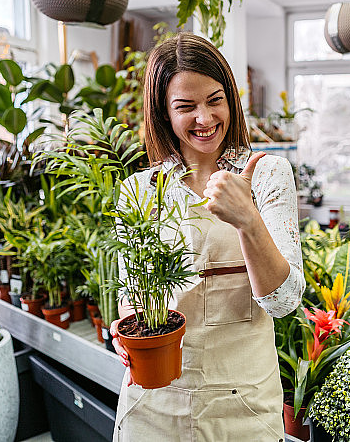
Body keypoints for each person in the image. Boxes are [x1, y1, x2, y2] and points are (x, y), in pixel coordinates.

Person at [110, 32, 304, 441]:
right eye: (186, 107)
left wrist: (247, 219)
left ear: (230, 99)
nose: (205, 118)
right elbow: (130, 293)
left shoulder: (266, 175)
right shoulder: (139, 190)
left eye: (215, 100)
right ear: (163, 113)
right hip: (154, 404)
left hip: (243, 408)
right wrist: (125, 331)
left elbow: (284, 302)